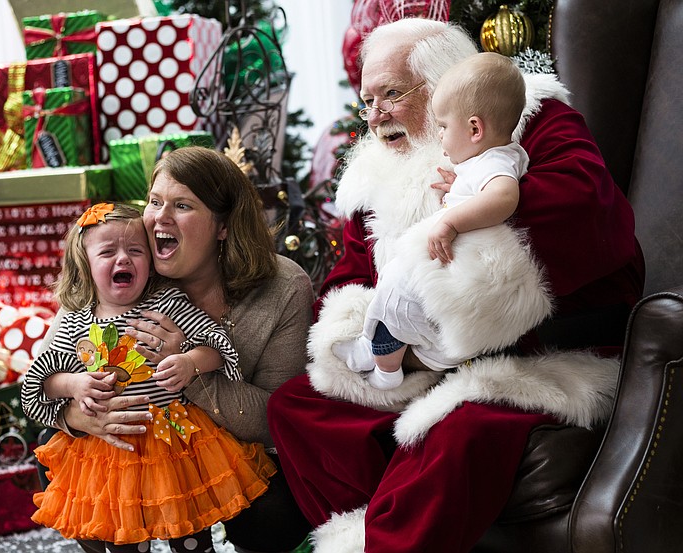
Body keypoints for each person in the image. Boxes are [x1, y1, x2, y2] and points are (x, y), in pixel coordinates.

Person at [267, 17, 644, 553]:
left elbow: (586, 208)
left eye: (391, 94)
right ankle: (368, 529)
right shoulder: (378, 173)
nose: (374, 117)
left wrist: (449, 277)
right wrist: (372, 343)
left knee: (459, 430)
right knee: (295, 406)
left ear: (446, 83)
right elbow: (351, 275)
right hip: (405, 360)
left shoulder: (530, 118)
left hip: (535, 355)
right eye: (366, 100)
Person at [29, 147, 314, 553]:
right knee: (58, 455)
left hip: (229, 454)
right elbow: (44, 376)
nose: (159, 218)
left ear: (223, 225)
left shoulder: (281, 287)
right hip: (135, 448)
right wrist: (81, 416)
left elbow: (276, 421)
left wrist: (187, 367)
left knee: (271, 515)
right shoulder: (119, 277)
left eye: (181, 205)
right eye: (155, 202)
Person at [365, 51, 532, 389]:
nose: (439, 135)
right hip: (458, 288)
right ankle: (387, 353)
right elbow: (488, 191)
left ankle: (386, 364)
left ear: (474, 128)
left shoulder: (494, 162)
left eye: (443, 126)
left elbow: (503, 197)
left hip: (468, 281)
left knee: (396, 298)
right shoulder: (491, 159)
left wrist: (451, 221)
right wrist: (462, 189)